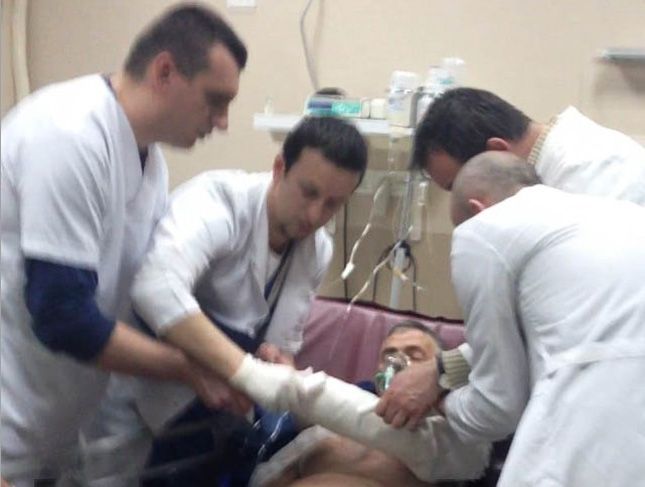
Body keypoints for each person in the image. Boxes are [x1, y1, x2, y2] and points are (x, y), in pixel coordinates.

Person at [0, 4, 247, 484]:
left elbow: (138, 296)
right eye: (215, 101)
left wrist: (234, 353)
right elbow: (63, 316)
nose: (222, 122)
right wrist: (187, 367)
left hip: (50, 429)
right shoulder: (70, 133)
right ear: (164, 71)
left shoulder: (150, 168)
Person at [83, 116, 368, 485]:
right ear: (279, 168)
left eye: (332, 204)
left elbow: (277, 347)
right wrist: (246, 372)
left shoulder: (316, 250)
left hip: (209, 419)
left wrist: (280, 368)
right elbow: (155, 288)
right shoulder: (218, 201)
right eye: (308, 192)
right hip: (136, 402)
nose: (316, 215)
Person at [377, 86, 645, 430]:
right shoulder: (577, 165)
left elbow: (504, 394)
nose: (460, 211)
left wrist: (441, 376)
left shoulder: (596, 181)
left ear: (496, 154)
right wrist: (445, 370)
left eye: (456, 186)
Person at [441, 151, 645, 485]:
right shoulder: (625, 214)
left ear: (477, 209)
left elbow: (497, 409)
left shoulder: (480, 230)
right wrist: (442, 369)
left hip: (593, 424)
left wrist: (442, 404)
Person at [249, 320, 489, 487]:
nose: (397, 363)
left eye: (415, 356)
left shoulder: (453, 437)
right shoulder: (324, 430)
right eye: (388, 356)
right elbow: (267, 475)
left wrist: (291, 383)